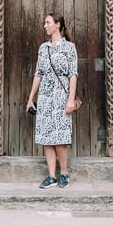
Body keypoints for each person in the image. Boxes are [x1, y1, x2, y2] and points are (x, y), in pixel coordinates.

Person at [25, 12, 79, 189]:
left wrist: (71, 99)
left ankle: (64, 173)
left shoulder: (69, 47)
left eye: (48, 23)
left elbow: (73, 74)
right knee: (47, 137)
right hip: (45, 97)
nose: (45, 26)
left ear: (57, 25)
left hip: (61, 97)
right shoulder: (43, 48)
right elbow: (38, 74)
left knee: (60, 138)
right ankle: (51, 176)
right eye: (45, 23)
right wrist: (31, 98)